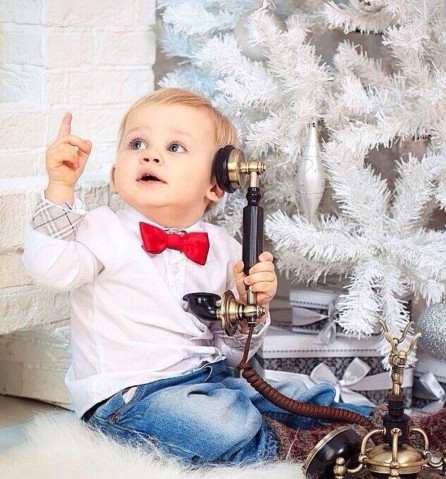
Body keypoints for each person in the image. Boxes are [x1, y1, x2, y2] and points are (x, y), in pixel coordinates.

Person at [22, 87, 370, 466]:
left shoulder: (223, 247)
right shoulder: (103, 227)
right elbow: (50, 270)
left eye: (175, 147)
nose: (151, 155)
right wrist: (60, 187)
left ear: (216, 184)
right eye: (137, 143)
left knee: (298, 392)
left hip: (211, 379)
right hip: (130, 394)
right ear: (114, 173)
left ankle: (377, 429)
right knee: (221, 428)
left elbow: (235, 353)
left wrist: (253, 306)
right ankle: (293, 449)